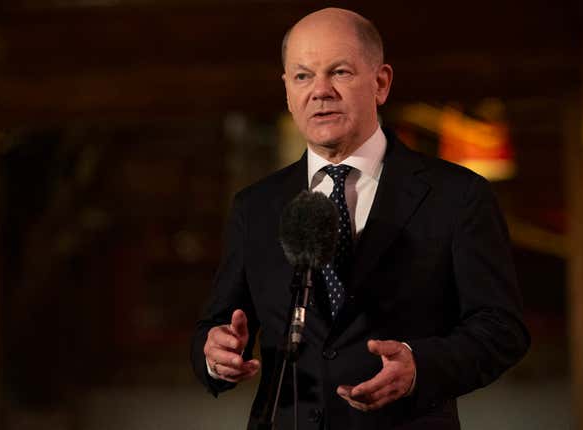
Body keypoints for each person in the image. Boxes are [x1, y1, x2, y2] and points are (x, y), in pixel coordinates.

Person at [191, 7, 529, 430]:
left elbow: (501, 329)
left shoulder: (457, 195)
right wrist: (215, 353)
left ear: (381, 83)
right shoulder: (255, 206)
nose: (320, 91)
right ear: (287, 91)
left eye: (340, 72)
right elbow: (218, 324)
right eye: (302, 76)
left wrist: (419, 367)